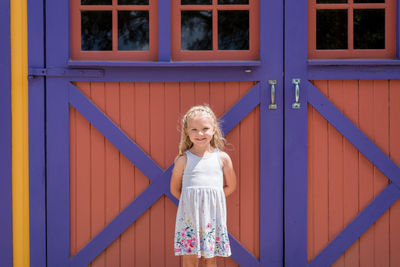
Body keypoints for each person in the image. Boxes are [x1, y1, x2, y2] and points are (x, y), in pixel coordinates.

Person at [170, 105, 237, 267]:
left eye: (205, 128)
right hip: (189, 218)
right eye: (194, 129)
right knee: (190, 258)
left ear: (214, 129)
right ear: (186, 131)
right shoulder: (183, 160)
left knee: (210, 258)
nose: (200, 134)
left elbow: (230, 186)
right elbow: (175, 189)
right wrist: (191, 203)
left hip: (212, 218)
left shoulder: (222, 158)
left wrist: (211, 202)